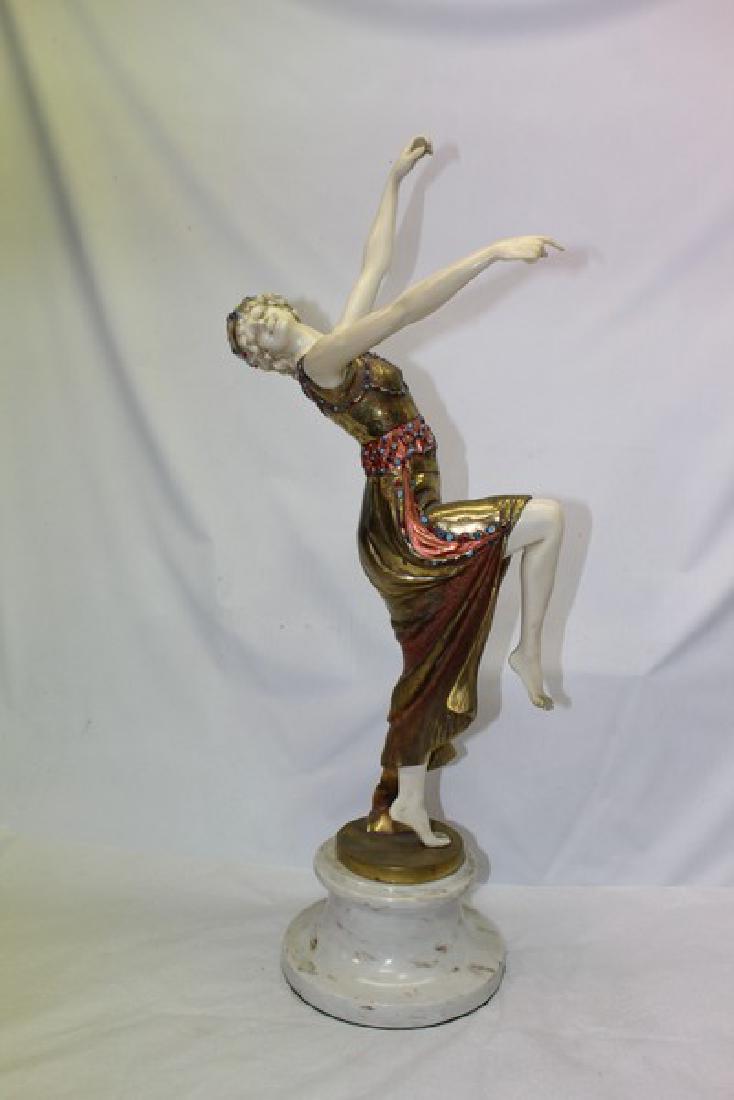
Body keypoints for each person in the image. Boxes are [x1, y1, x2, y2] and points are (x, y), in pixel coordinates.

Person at [227, 137, 564, 848]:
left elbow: (375, 266)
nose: (266, 325)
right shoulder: (324, 360)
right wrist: (493, 252)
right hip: (405, 523)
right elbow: (407, 307)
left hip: (404, 512)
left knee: (428, 661)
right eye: (258, 336)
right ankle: (527, 652)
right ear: (266, 358)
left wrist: (394, 179)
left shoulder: (336, 342)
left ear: (276, 305)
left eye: (260, 314)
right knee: (545, 519)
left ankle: (408, 798)